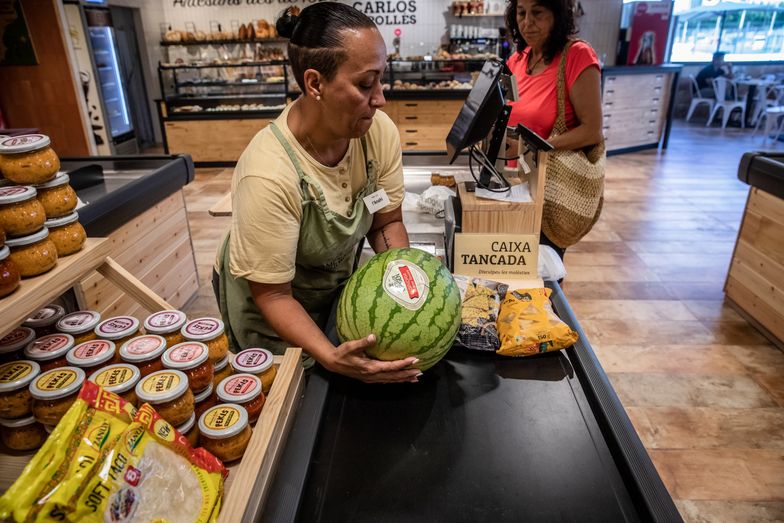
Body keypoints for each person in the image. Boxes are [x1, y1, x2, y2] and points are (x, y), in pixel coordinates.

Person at [213, 3, 421, 384]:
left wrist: (409, 296)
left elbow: (386, 221)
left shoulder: (377, 133)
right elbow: (273, 295)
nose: (380, 99)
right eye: (365, 84)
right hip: (272, 312)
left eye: (381, 80)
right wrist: (330, 356)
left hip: (328, 293)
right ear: (314, 84)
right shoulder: (268, 174)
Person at [504, 0, 603, 259]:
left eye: (537, 12)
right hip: (516, 184)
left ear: (557, 15)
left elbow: (592, 131)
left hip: (552, 189)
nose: (527, 22)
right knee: (513, 267)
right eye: (521, 12)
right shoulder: (518, 59)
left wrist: (534, 145)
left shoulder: (577, 56)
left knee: (543, 275)